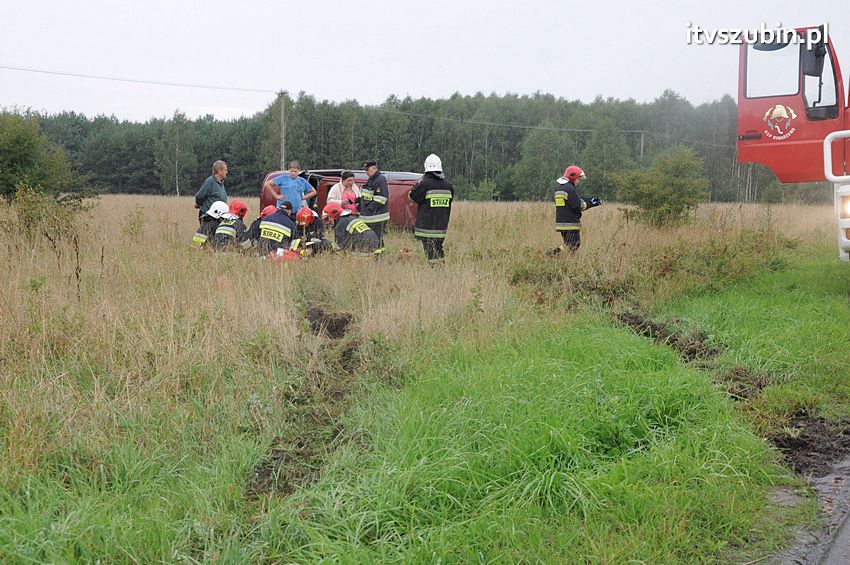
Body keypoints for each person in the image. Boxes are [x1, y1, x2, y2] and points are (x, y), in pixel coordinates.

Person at [408, 154, 453, 265]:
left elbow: (412, 196)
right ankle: (441, 269)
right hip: (442, 227)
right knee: (439, 249)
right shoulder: (448, 186)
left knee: (430, 252)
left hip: (427, 227)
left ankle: (435, 272)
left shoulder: (424, 185)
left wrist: (418, 184)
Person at [549, 165, 601, 254]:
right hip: (570, 223)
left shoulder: (560, 188)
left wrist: (585, 199)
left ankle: (562, 259)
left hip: (561, 223)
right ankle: (553, 253)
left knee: (568, 244)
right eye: (578, 178)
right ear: (573, 177)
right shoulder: (570, 189)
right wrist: (591, 203)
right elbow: (578, 206)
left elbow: (570, 202)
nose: (578, 181)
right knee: (574, 244)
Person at [358, 159, 389, 253]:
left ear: (374, 168)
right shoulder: (372, 179)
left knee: (376, 239)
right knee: (375, 239)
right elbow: (369, 195)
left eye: (367, 169)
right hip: (371, 217)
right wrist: (360, 202)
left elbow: (381, 199)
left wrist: (369, 208)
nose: (366, 172)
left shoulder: (380, 179)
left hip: (377, 217)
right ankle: (379, 255)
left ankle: (378, 257)